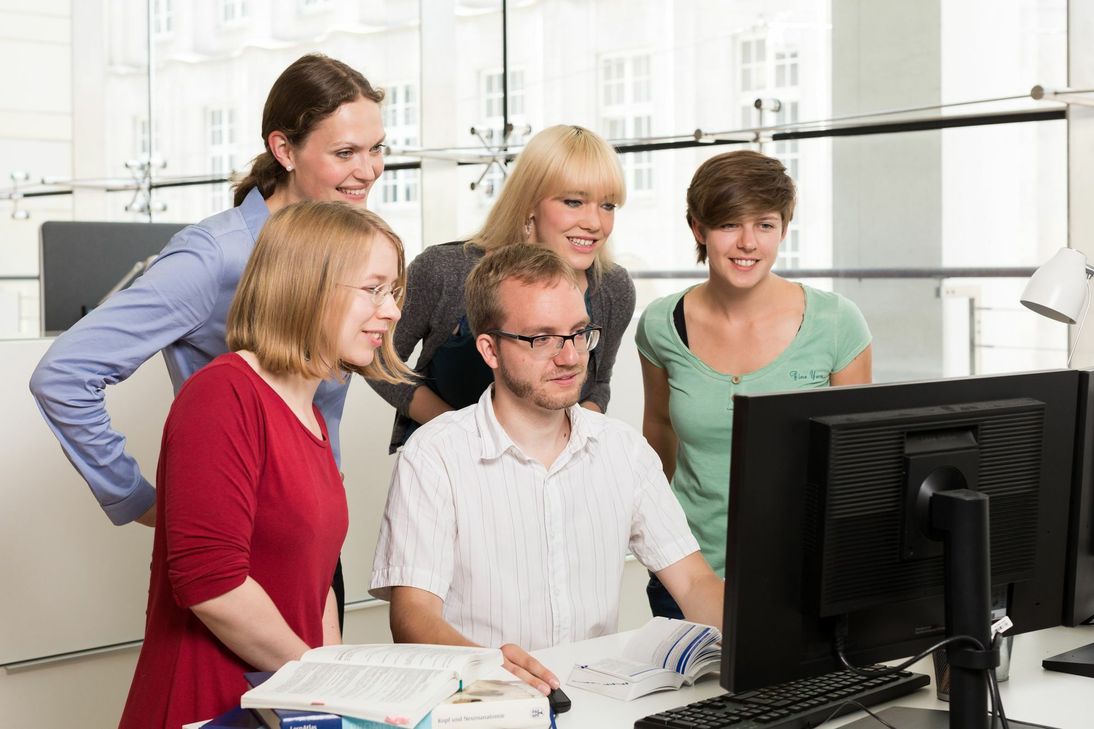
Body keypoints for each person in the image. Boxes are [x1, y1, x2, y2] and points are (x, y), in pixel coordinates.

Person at [28, 53, 387, 622]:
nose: (367, 171)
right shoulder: (213, 255)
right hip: (244, 549)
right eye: (345, 153)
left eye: (376, 149)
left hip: (315, 542)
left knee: (319, 706)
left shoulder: (344, 242)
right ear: (284, 150)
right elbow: (63, 374)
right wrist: (137, 498)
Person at [369, 244, 723, 694]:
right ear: (490, 350)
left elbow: (693, 583)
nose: (571, 357)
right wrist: (490, 666)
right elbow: (412, 617)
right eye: (542, 339)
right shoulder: (434, 455)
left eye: (578, 333)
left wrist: (777, 639)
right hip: (484, 705)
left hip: (597, 706)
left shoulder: (623, 450)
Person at [118, 201, 412, 729]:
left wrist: (332, 695)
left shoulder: (313, 415)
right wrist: (324, 684)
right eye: (374, 289)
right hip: (208, 704)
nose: (391, 311)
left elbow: (316, 579)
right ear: (308, 286)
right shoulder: (224, 394)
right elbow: (211, 584)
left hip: (284, 702)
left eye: (393, 292)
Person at [636, 150, 873, 618]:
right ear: (698, 229)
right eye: (729, 224)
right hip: (685, 572)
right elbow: (658, 434)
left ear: (783, 229)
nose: (748, 243)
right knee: (689, 695)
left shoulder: (837, 322)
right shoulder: (661, 323)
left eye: (764, 225)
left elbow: (857, 466)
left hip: (804, 574)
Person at [369, 124, 636, 452]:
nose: (595, 223)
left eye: (607, 205)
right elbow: (377, 357)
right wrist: (458, 430)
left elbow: (598, 386)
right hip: (450, 461)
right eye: (574, 202)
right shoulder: (445, 270)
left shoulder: (612, 288)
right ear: (529, 204)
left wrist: (567, 448)